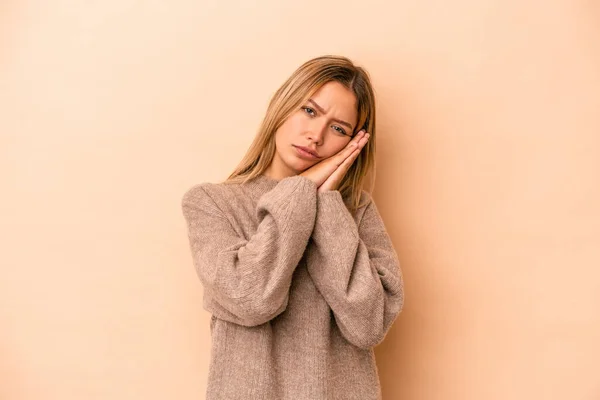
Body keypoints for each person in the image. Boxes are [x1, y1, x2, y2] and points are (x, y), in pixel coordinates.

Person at [181, 55, 404, 400]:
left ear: (351, 144)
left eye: (339, 128)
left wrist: (327, 203)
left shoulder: (355, 211)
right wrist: (302, 191)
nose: (315, 136)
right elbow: (250, 298)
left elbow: (368, 324)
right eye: (310, 111)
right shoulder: (211, 203)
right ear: (282, 106)